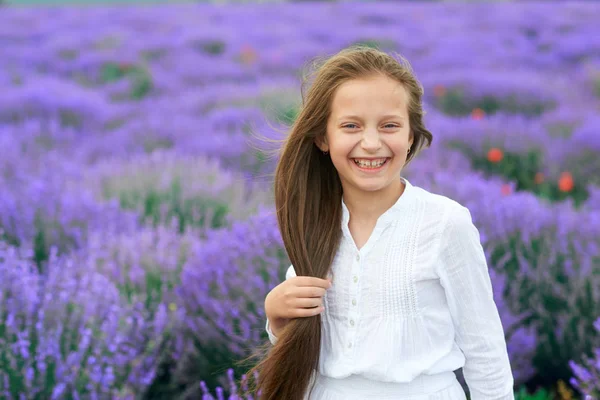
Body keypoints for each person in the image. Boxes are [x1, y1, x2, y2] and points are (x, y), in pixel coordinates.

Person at [253, 46, 514, 400]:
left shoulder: (445, 223)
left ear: (410, 136)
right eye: (350, 126)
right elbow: (309, 341)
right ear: (322, 138)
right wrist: (276, 317)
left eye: (389, 125)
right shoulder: (312, 219)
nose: (372, 143)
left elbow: (485, 351)